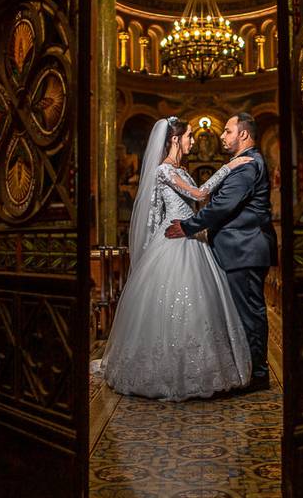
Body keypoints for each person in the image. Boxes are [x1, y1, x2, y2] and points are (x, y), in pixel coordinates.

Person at [100, 117, 254, 401]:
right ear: (174, 139)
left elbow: (196, 203)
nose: (193, 141)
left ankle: (202, 370)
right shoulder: (163, 171)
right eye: (189, 136)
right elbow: (198, 194)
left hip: (192, 238)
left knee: (200, 305)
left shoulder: (181, 169)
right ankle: (167, 372)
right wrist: (227, 167)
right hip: (174, 239)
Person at [165, 112, 277, 390]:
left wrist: (189, 226)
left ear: (243, 134)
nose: (222, 136)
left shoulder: (248, 166)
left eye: (227, 131)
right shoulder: (242, 164)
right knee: (241, 313)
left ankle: (258, 374)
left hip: (245, 248)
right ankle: (247, 369)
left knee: (249, 313)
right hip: (240, 248)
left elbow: (222, 206)